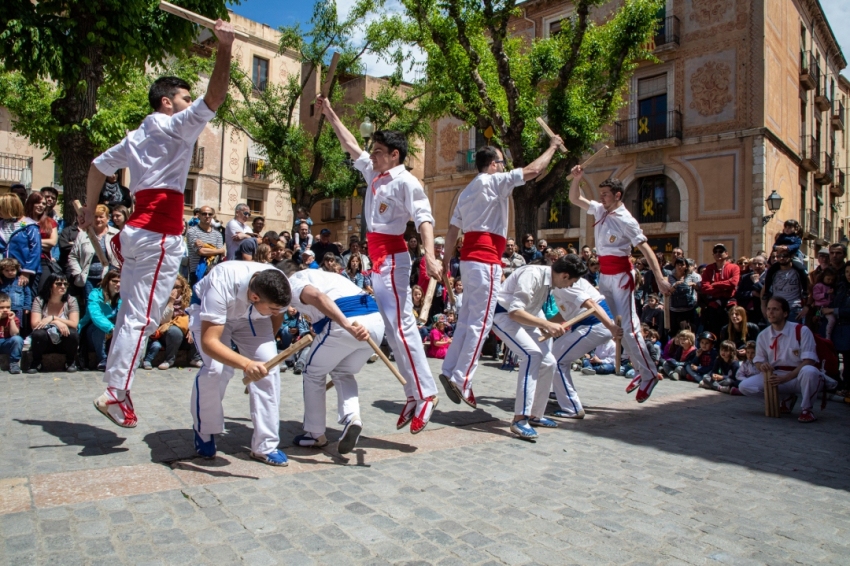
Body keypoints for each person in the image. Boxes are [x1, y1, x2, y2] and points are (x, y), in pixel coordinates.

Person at [83, 19, 236, 428]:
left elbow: (98, 166)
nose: (191, 104)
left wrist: (87, 209)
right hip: (157, 235)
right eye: (184, 97)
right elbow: (216, 96)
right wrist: (225, 47)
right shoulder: (176, 126)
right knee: (142, 318)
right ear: (167, 102)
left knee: (135, 316)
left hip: (138, 234)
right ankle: (116, 392)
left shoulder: (135, 137)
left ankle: (118, 386)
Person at [319, 93, 441, 434]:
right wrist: (329, 113)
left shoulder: (407, 182)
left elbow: (425, 220)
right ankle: (414, 393)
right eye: (371, 151)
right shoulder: (373, 172)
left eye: (377, 151)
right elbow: (348, 143)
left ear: (394, 155)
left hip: (395, 256)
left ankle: (427, 393)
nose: (370, 155)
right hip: (379, 258)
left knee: (401, 327)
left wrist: (430, 255)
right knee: (392, 329)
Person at [439, 139, 562, 408]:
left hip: (470, 259)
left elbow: (451, 232)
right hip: (485, 260)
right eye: (502, 162)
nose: (504, 166)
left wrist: (446, 260)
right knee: (481, 324)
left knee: (467, 319)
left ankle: (450, 370)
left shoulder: (466, 191)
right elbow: (532, 171)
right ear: (493, 164)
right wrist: (552, 147)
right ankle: (461, 379)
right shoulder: (493, 181)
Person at [569, 166, 671, 402]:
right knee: (615, 328)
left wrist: (659, 277)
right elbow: (575, 198)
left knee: (630, 327)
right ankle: (641, 370)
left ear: (617, 195)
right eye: (601, 193)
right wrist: (577, 179)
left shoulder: (627, 220)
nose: (601, 197)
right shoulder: (600, 211)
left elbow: (645, 248)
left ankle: (649, 374)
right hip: (606, 275)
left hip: (622, 277)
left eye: (605, 194)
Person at [187, 262, 291, 464]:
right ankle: (205, 430)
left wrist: (260, 359)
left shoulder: (280, 287)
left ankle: (266, 446)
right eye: (273, 308)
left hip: (255, 318)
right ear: (254, 297)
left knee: (268, 370)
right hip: (213, 314)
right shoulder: (222, 280)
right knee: (216, 370)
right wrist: (246, 364)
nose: (276, 311)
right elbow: (210, 343)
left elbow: (276, 316)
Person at [282, 262, 384, 453]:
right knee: (342, 371)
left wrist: (346, 326)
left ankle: (314, 434)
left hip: (349, 323)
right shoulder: (326, 276)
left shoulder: (295, 281)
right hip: (376, 324)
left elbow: (318, 297)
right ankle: (352, 417)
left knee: (312, 372)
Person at [490, 259, 584, 439]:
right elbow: (515, 312)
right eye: (570, 282)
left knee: (549, 362)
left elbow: (533, 307)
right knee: (532, 355)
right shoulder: (532, 274)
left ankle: (535, 415)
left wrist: (547, 325)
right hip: (503, 316)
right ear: (564, 275)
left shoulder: (548, 281)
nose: (569, 286)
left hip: (525, 319)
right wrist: (546, 324)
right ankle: (520, 419)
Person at [548, 256, 622, 419]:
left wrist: (611, 327)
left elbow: (592, 305)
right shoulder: (562, 284)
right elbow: (564, 314)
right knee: (555, 356)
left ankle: (572, 407)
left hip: (593, 324)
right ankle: (561, 392)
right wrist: (541, 324)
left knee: (556, 360)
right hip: (590, 324)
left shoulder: (565, 285)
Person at [739, 297, 833, 423]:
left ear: (785, 313)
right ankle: (785, 398)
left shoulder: (802, 330)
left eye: (775, 309)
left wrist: (787, 378)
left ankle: (806, 409)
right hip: (777, 376)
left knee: (809, 371)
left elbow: (809, 360)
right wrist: (763, 366)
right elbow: (758, 360)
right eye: (768, 309)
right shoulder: (763, 335)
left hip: (799, 376)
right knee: (745, 386)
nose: (770, 312)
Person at [0, 194, 42, 328]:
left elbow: (36, 250)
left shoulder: (29, 226)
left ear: (10, 208)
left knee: (24, 304)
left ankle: (25, 335)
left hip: (25, 272)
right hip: (4, 272)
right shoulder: (1, 225)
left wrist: (26, 272)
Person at [142, 275, 200, 370]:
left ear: (183, 287)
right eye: (172, 287)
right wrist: (171, 302)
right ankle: (169, 360)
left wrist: (191, 329)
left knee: (197, 329)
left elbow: (194, 316)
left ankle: (195, 358)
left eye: (177, 287)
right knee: (175, 331)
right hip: (167, 334)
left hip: (186, 333)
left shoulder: (189, 298)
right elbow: (164, 320)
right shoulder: (161, 300)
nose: (175, 290)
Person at [68, 204, 120, 302]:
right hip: (88, 278)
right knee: (91, 304)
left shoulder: (117, 234)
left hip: (109, 279)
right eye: (95, 216)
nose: (98, 219)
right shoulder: (83, 234)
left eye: (101, 216)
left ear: (108, 218)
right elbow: (73, 256)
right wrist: (78, 273)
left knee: (108, 304)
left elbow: (122, 255)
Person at [29, 273, 80, 373]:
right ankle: (37, 362)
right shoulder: (39, 300)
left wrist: (54, 319)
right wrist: (55, 322)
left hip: (63, 340)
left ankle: (70, 362)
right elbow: (35, 324)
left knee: (73, 333)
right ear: (50, 285)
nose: (63, 287)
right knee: (38, 334)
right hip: (45, 341)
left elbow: (74, 323)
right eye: (59, 284)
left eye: (65, 284)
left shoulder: (71, 300)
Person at [80, 270, 122, 371]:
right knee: (99, 328)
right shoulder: (95, 294)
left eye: (121, 281)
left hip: (113, 331)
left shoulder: (122, 296)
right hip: (93, 332)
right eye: (115, 281)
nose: (118, 284)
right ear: (107, 281)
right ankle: (103, 359)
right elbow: (96, 315)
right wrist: (111, 328)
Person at [700, 243, 741, 336]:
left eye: (721, 251)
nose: (718, 253)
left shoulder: (734, 267)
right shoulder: (709, 269)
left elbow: (733, 283)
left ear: (726, 254)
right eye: (715, 252)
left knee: (730, 329)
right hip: (714, 304)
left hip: (730, 303)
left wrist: (715, 284)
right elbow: (705, 287)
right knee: (714, 330)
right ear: (713, 255)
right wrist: (724, 288)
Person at [25, 193, 59, 294]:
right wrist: (43, 244)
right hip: (25, 261)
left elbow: (52, 242)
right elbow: (19, 243)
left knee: (42, 292)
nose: (41, 206)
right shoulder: (22, 221)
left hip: (43, 260)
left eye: (43, 204)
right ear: (31, 203)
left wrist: (31, 241)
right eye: (38, 202)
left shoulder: (50, 222)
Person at [761, 250, 807, 323]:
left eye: (784, 255)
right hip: (776, 309)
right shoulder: (773, 272)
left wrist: (806, 308)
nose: (781, 258)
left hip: (793, 309)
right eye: (779, 256)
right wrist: (763, 308)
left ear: (791, 256)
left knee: (793, 333)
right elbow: (764, 291)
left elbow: (809, 289)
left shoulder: (798, 271)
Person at [186, 206, 225, 286]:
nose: (207, 216)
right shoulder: (192, 232)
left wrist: (205, 246)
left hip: (213, 272)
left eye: (210, 214)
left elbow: (220, 255)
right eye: (204, 214)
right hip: (197, 272)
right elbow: (201, 251)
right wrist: (219, 250)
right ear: (199, 215)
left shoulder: (217, 234)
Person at [667, 257, 700, 331]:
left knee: (687, 331)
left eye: (682, 265)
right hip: (674, 309)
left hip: (688, 309)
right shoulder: (670, 277)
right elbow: (668, 292)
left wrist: (693, 284)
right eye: (678, 265)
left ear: (686, 266)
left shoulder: (691, 276)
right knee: (675, 331)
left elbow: (698, 289)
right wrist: (676, 285)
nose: (680, 267)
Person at [735, 254, 767, 326]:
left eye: (760, 264)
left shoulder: (769, 276)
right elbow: (738, 294)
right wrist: (751, 293)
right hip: (747, 312)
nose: (756, 266)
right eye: (754, 264)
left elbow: (767, 293)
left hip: (761, 313)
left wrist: (757, 283)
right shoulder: (745, 277)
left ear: (765, 265)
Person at [0, 292, 23, 374]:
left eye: (8, 307)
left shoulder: (13, 318)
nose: (5, 310)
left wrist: (12, 320)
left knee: (18, 339)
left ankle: (14, 363)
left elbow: (14, 334)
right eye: (1, 307)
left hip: (6, 343)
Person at [0, 259, 25, 329]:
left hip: (17, 308)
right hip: (3, 308)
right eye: (6, 270)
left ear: (17, 270)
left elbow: (27, 294)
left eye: (12, 270)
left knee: (18, 324)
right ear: (2, 271)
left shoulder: (21, 281)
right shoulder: (1, 282)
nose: (10, 272)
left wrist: (27, 307)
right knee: (4, 324)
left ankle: (17, 337)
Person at [812, 268, 837, 339]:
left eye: (832, 280)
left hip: (828, 307)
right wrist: (825, 294)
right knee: (830, 320)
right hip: (820, 307)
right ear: (823, 277)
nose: (830, 281)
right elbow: (815, 296)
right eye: (828, 279)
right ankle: (827, 336)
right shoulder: (818, 286)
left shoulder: (831, 287)